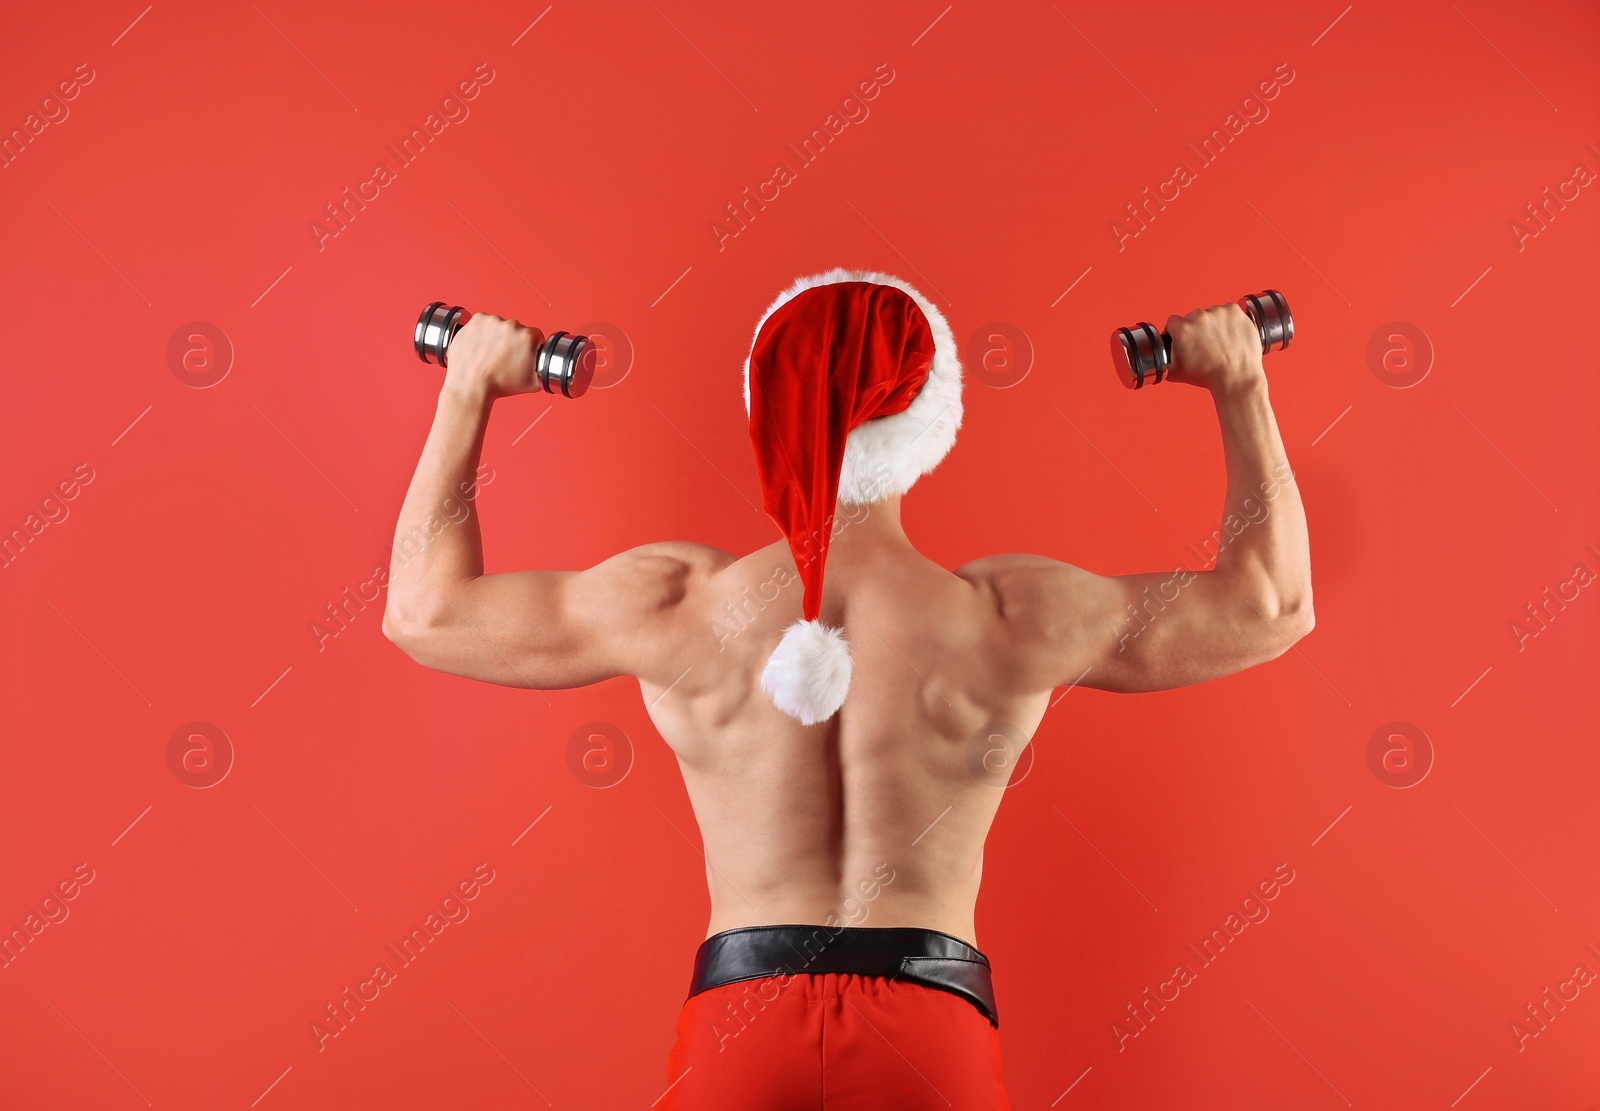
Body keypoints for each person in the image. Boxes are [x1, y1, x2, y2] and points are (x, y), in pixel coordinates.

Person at [382, 267, 1314, 1109]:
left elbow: (426, 614)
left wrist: (468, 388)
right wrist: (1240, 381)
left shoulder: (679, 602)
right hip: (930, 1031)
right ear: (933, 422)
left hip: (742, 1028)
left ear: (764, 411)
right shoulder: (1008, 616)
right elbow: (1271, 605)